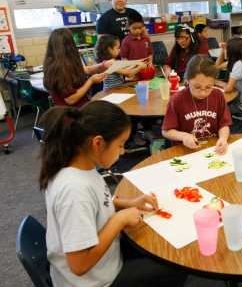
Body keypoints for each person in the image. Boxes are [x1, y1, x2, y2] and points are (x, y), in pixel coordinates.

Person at [39, 101, 187, 287]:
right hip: (94, 282)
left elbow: (98, 203)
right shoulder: (74, 191)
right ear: (98, 143)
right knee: (175, 265)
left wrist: (130, 203)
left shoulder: (81, 165)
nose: (123, 151)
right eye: (121, 145)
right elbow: (78, 264)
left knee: (161, 245)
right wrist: (119, 220)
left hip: (103, 261)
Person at [162, 55, 231, 153]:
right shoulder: (177, 100)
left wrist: (223, 138)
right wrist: (184, 136)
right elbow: (166, 131)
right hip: (185, 151)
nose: (203, 92)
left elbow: (224, 125)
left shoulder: (218, 95)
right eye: (197, 87)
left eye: (208, 87)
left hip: (212, 148)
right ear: (187, 80)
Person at [43, 28, 108, 107]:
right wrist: (91, 81)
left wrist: (102, 65)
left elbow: (85, 70)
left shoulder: (63, 61)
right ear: (69, 45)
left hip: (81, 107)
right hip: (72, 113)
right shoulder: (59, 68)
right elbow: (70, 99)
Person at [215, 37, 242, 114]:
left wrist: (218, 85)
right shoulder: (241, 60)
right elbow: (217, 66)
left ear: (233, 52)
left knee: (216, 109)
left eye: (227, 49)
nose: (226, 51)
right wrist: (222, 50)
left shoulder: (238, 65)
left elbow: (228, 89)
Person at [120, 10, 154, 80]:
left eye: (140, 28)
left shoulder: (146, 38)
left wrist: (150, 63)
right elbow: (124, 59)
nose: (138, 30)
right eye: (135, 28)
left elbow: (150, 53)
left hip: (145, 72)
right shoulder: (126, 41)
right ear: (128, 26)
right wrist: (131, 70)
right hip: (132, 74)